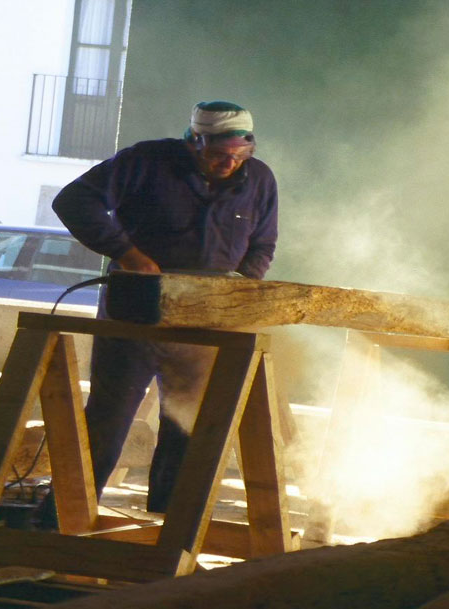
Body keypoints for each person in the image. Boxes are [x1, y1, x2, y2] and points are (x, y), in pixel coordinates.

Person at [50, 100, 278, 514]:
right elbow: (73, 201)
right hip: (136, 314)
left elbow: (262, 244)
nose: (229, 163)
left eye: (240, 154)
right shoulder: (145, 162)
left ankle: (169, 525)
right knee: (108, 418)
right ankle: (62, 517)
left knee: (189, 426)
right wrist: (128, 254)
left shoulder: (259, 179)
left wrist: (240, 290)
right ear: (194, 141)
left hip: (206, 321)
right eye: (218, 154)